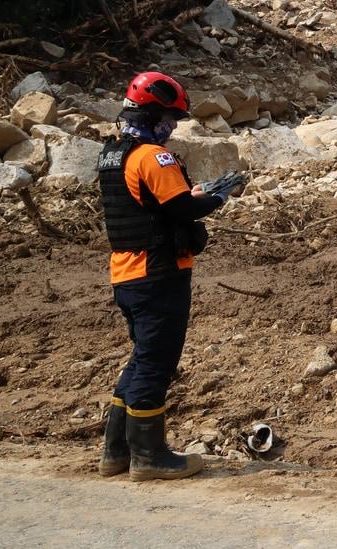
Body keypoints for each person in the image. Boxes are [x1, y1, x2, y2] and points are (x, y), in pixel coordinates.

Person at [96, 71, 243, 481]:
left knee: (142, 358)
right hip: (159, 273)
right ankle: (149, 456)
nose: (172, 127)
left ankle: (116, 453)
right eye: (170, 118)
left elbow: (150, 205)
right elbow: (182, 210)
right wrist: (217, 196)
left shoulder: (112, 154)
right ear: (155, 113)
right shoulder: (152, 156)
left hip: (127, 273)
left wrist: (189, 198)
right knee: (156, 364)